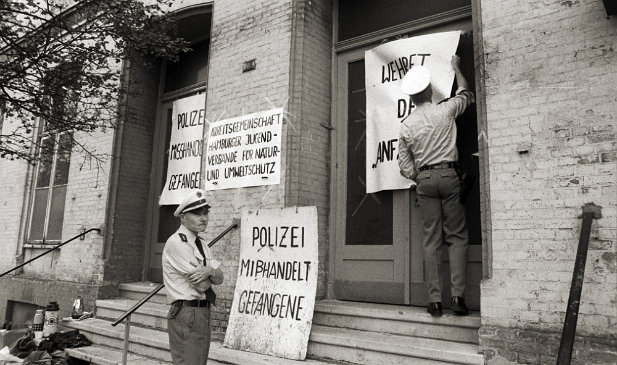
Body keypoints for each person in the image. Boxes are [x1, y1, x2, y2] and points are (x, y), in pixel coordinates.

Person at [397, 55, 475, 317]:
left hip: (426, 180)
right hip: (450, 176)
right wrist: (456, 67)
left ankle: (434, 301)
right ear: (430, 90)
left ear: (410, 98)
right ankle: (458, 298)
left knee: (431, 240)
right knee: (457, 236)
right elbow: (466, 94)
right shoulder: (446, 110)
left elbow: (403, 165)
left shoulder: (406, 126)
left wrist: (419, 177)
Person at [162, 189, 224, 364]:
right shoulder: (177, 243)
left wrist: (209, 271)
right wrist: (209, 272)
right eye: (197, 214)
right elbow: (202, 286)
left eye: (205, 213)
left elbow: (220, 277)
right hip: (186, 312)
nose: (203, 218)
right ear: (183, 217)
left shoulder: (201, 243)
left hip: (202, 311)